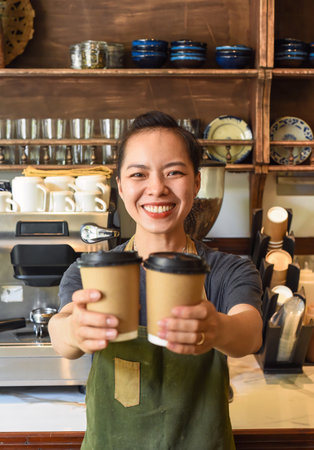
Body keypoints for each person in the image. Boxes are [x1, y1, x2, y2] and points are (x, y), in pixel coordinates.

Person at [48, 111, 263, 450]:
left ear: (196, 182)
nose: (157, 188)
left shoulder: (227, 270)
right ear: (120, 186)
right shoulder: (91, 271)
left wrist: (215, 329)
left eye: (174, 172)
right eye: (139, 174)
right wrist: (75, 330)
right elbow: (61, 333)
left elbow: (249, 332)